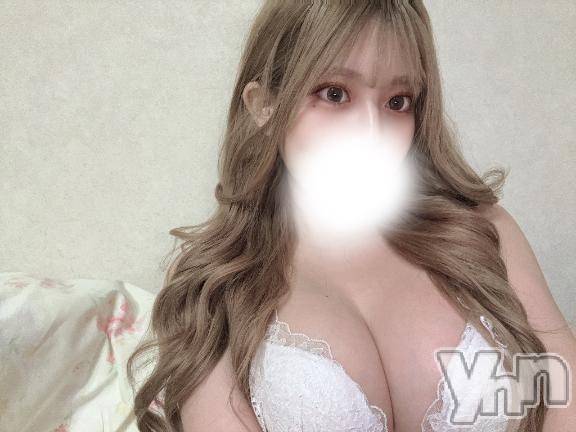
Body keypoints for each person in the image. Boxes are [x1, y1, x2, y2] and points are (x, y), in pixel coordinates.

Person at [127, 1, 576, 431]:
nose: (371, 133)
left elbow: (565, 397)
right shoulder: (213, 285)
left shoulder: (482, 233)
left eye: (397, 102)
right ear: (264, 104)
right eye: (335, 94)